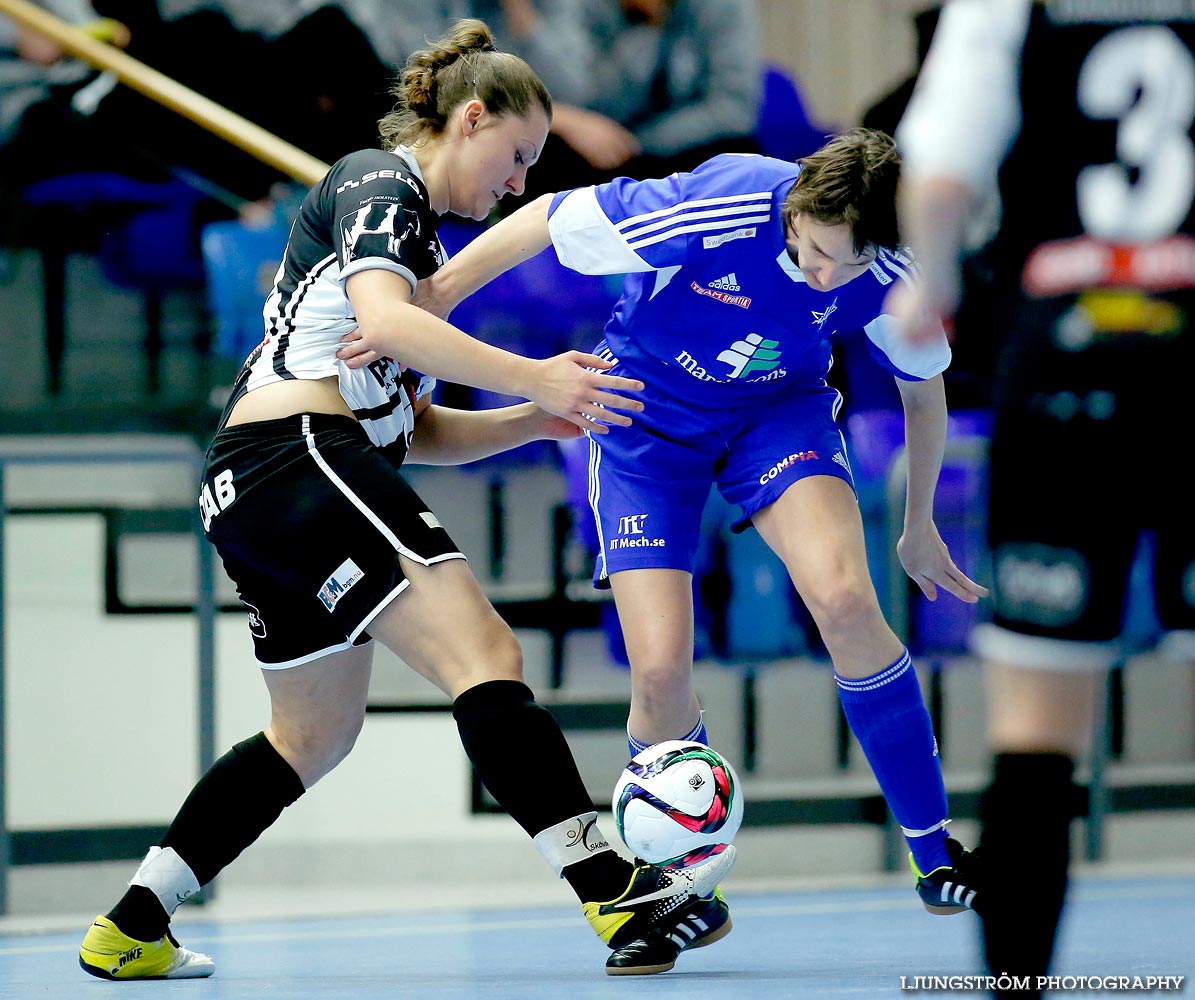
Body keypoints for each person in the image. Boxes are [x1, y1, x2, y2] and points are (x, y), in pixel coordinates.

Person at [77, 19, 736, 983]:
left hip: (257, 483)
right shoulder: (381, 183)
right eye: (515, 157)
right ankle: (612, 887)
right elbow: (391, 327)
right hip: (295, 454)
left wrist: (532, 418)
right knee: (485, 654)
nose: (517, 184)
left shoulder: (400, 243)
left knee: (311, 736)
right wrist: (539, 377)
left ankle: (136, 920)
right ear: (469, 120)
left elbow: (412, 430)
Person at [344, 126, 991, 919]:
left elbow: (922, 391)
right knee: (657, 672)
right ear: (794, 210)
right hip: (643, 415)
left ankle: (932, 851)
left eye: (844, 265)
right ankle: (678, 886)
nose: (825, 276)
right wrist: (436, 299)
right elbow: (546, 215)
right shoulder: (715, 203)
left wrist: (917, 522)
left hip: (775, 415)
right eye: (816, 251)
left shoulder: (889, 267)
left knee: (848, 601)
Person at [891, 0, 1195, 994]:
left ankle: (1015, 987)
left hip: (1064, 363)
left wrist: (929, 283)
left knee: (1033, 729)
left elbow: (939, 170)